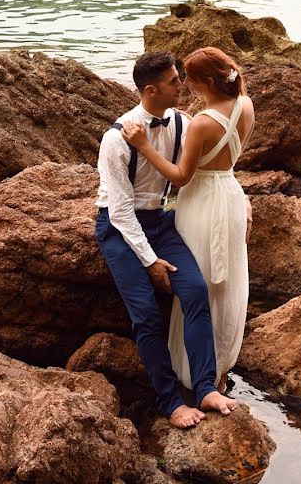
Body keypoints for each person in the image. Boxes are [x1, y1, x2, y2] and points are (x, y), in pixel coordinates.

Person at [95, 51, 238, 429]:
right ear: (150, 89)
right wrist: (149, 260)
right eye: (175, 81)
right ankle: (170, 402)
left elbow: (215, 162)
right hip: (118, 229)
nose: (183, 85)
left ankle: (206, 387)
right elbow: (120, 212)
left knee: (195, 291)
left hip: (160, 221)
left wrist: (242, 202)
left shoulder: (183, 121)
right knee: (146, 315)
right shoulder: (116, 139)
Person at [122, 46, 254, 395]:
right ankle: (221, 369)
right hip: (231, 193)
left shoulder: (201, 124)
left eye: (188, 81)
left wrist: (143, 145)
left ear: (206, 82)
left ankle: (191, 372)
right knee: (229, 283)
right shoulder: (246, 105)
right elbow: (228, 157)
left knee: (198, 286)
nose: (183, 86)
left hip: (201, 204)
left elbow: (181, 177)